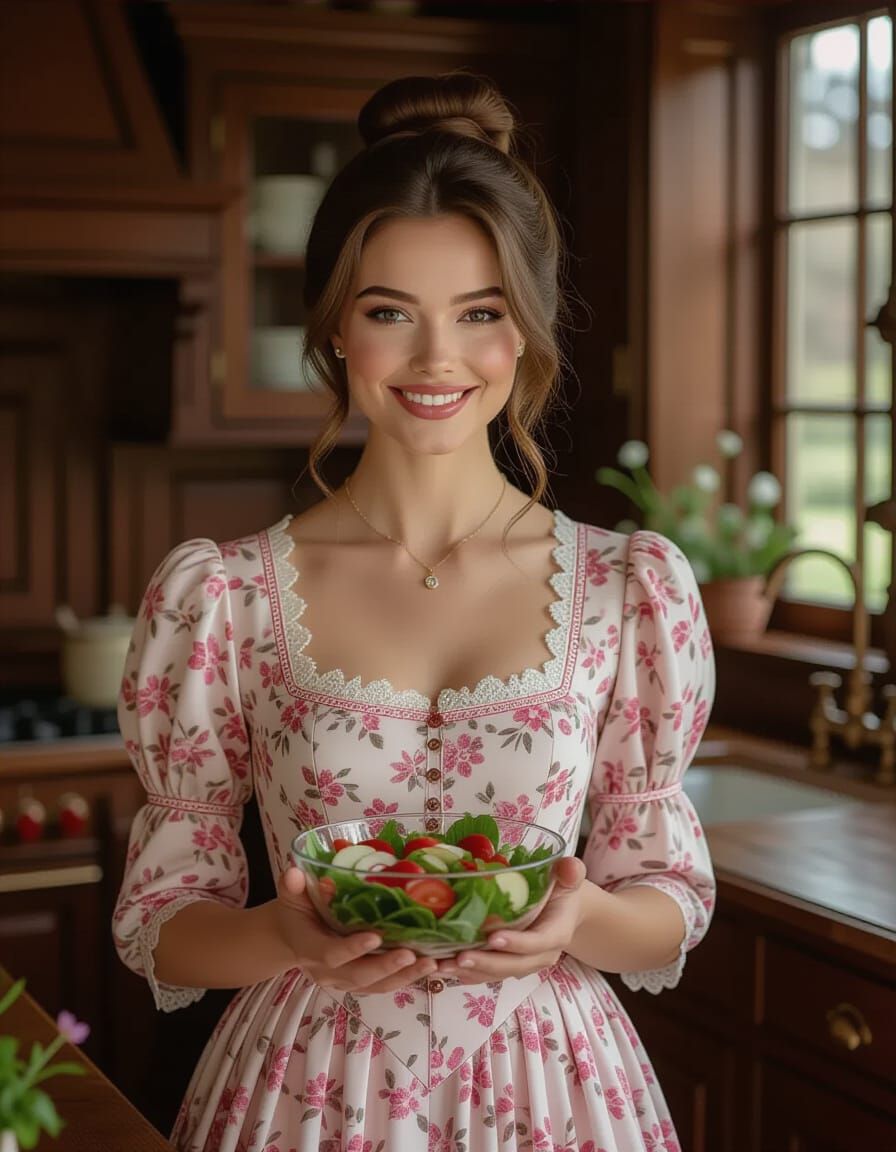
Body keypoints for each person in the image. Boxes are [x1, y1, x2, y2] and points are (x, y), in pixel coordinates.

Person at [112, 72, 716, 1152]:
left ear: (525, 333)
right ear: (337, 329)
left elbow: (666, 891)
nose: (437, 360)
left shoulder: (628, 591)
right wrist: (280, 937)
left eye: (479, 314)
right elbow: (161, 925)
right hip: (307, 1092)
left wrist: (578, 923)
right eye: (390, 311)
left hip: (557, 1089)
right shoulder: (225, 597)